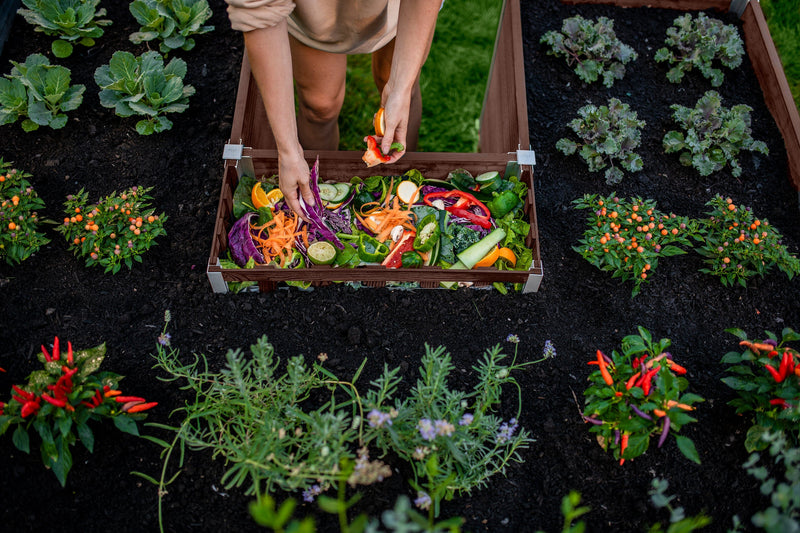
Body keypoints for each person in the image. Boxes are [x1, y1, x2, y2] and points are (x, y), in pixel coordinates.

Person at [224, 0, 441, 218]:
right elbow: (259, 10)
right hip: (316, 13)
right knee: (319, 106)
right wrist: (288, 150)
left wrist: (401, 87)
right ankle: (320, 193)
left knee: (402, 92)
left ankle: (403, 184)